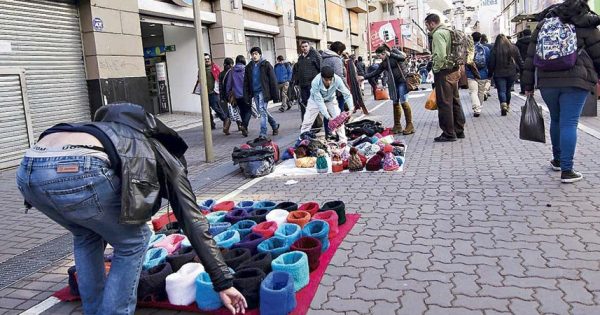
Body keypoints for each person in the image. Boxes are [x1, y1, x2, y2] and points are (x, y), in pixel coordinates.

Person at [15, 103, 247, 315]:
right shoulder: (148, 143)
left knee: (86, 234)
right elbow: (192, 220)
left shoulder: (97, 131)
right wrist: (223, 282)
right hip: (78, 167)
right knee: (134, 241)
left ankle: (94, 310)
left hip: (28, 168)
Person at [522, 0, 600, 183]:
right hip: (576, 80)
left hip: (547, 80)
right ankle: (567, 169)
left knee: (556, 120)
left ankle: (557, 160)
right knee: (569, 123)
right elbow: (598, 55)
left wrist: (528, 86)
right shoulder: (585, 24)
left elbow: (530, 57)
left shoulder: (544, 25)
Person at [425, 13, 465, 142]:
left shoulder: (437, 34)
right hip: (454, 70)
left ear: (432, 23)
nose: (427, 28)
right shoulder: (449, 31)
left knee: (444, 103)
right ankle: (459, 130)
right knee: (455, 100)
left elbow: (441, 55)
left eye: (427, 25)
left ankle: (448, 133)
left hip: (444, 72)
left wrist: (435, 69)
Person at [359, 45, 415, 135]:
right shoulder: (384, 62)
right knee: (395, 102)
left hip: (403, 81)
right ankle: (397, 125)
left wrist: (391, 54)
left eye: (380, 56)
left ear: (384, 53)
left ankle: (410, 125)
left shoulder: (395, 53)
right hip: (394, 83)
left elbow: (403, 57)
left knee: (404, 101)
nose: (379, 58)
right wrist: (364, 77)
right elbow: (376, 72)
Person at [300, 66, 351, 144]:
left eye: (330, 79)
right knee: (307, 121)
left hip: (330, 99)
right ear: (322, 77)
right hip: (315, 100)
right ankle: (302, 142)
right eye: (326, 80)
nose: (329, 82)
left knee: (338, 119)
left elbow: (347, 94)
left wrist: (351, 108)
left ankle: (343, 142)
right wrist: (328, 117)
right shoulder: (315, 82)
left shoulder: (337, 79)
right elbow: (320, 102)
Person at [244, 47, 280, 138]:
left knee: (262, 111)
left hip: (263, 92)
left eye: (256, 54)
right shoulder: (249, 67)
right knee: (262, 110)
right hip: (255, 92)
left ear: (260, 54)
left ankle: (263, 133)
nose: (254, 56)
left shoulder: (266, 65)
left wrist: (275, 95)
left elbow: (273, 80)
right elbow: (246, 82)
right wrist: (246, 95)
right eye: (252, 54)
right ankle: (274, 125)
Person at [488, 34, 524, 116]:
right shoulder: (513, 48)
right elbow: (519, 60)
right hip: (511, 73)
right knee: (508, 90)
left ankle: (503, 104)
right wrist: (522, 70)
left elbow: (491, 63)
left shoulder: (494, 49)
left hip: (499, 73)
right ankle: (507, 105)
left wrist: (490, 74)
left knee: (501, 90)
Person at [203, 53, 231, 134]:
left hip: (214, 92)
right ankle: (211, 124)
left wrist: (219, 91)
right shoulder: (201, 69)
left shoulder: (214, 68)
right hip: (205, 93)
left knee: (216, 107)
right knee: (206, 110)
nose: (207, 60)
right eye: (205, 59)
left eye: (208, 59)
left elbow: (219, 80)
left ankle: (225, 119)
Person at [294, 41, 322, 119]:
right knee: (304, 104)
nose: (304, 48)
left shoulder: (315, 55)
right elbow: (298, 71)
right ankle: (306, 122)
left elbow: (321, 68)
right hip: (303, 85)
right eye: (302, 47)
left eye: (306, 46)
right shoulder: (300, 58)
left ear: (309, 46)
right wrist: (296, 83)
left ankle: (316, 123)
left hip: (312, 84)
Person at [466, 32, 491, 117]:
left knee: (473, 92)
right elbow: (488, 62)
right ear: (480, 38)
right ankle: (479, 107)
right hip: (483, 74)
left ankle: (476, 109)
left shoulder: (469, 49)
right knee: (480, 92)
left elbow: (466, 62)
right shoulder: (486, 49)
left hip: (471, 73)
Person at [227, 55, 250, 137]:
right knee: (248, 111)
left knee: (242, 111)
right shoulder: (246, 69)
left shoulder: (231, 71)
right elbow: (250, 82)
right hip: (246, 94)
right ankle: (244, 126)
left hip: (236, 95)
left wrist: (228, 94)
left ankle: (245, 129)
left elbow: (229, 84)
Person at [219, 57, 238, 134]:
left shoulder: (221, 74)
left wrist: (221, 97)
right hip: (232, 95)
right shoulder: (232, 72)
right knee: (235, 111)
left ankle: (226, 128)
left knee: (227, 113)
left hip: (224, 96)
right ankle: (239, 126)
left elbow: (220, 86)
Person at [516, 29, 532, 95]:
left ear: (523, 34)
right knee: (532, 74)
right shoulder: (533, 41)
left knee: (522, 76)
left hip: (522, 61)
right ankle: (531, 89)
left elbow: (516, 53)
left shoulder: (519, 42)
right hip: (531, 60)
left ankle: (523, 90)